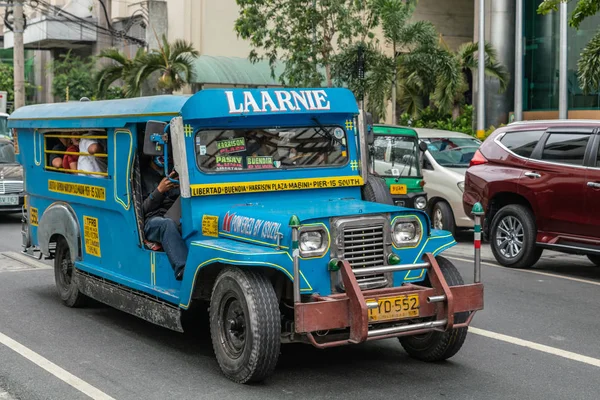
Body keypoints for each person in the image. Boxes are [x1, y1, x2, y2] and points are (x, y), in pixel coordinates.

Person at [141, 156, 187, 280]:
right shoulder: (142, 175)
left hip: (176, 214)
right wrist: (159, 191)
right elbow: (141, 210)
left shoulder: (177, 173)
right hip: (153, 221)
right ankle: (183, 269)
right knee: (166, 224)